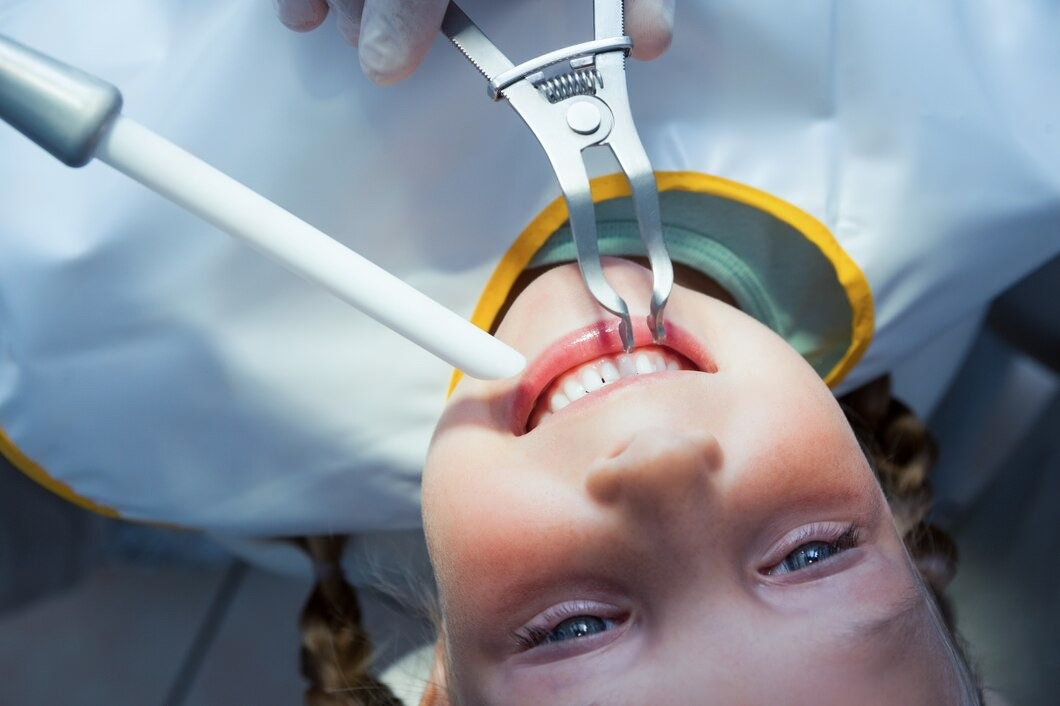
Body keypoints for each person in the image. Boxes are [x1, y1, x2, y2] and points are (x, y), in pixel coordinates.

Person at [0, 1, 1056, 701]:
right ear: (907, 531)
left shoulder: (155, 364)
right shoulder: (995, 133)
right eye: (811, 555)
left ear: (436, 681)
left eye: (576, 626)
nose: (656, 462)